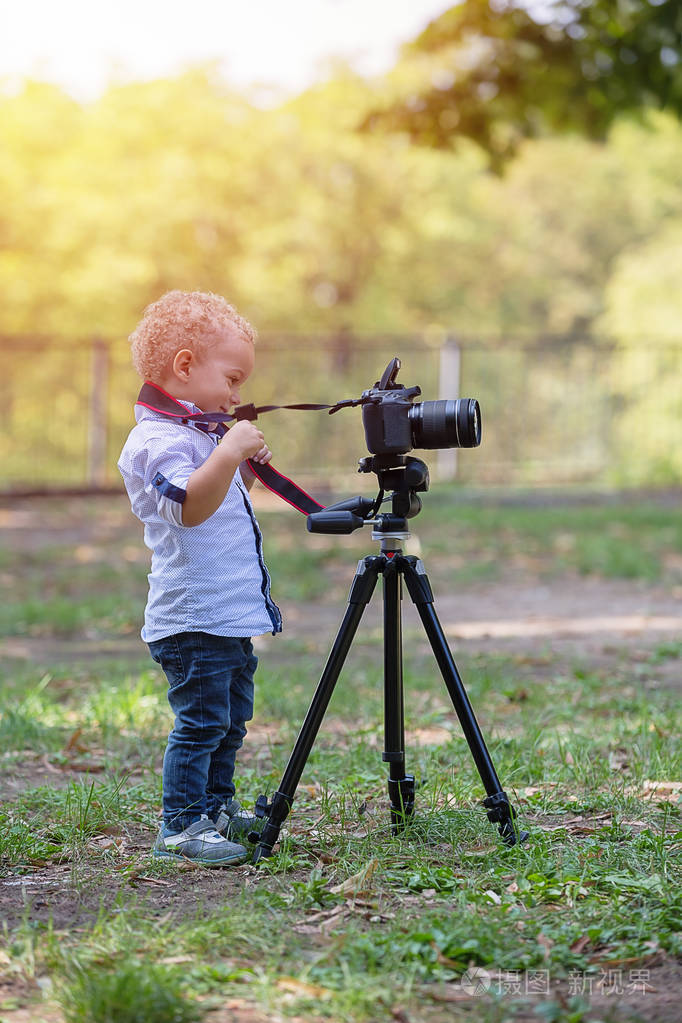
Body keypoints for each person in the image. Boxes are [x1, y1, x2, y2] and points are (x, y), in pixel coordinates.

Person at [118, 290, 280, 866]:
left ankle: (214, 808)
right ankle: (179, 826)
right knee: (201, 724)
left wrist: (240, 461)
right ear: (185, 366)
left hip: (227, 614)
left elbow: (222, 504)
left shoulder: (201, 435)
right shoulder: (156, 441)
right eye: (232, 380)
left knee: (230, 724)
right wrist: (229, 451)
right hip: (192, 619)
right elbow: (188, 505)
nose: (237, 396)